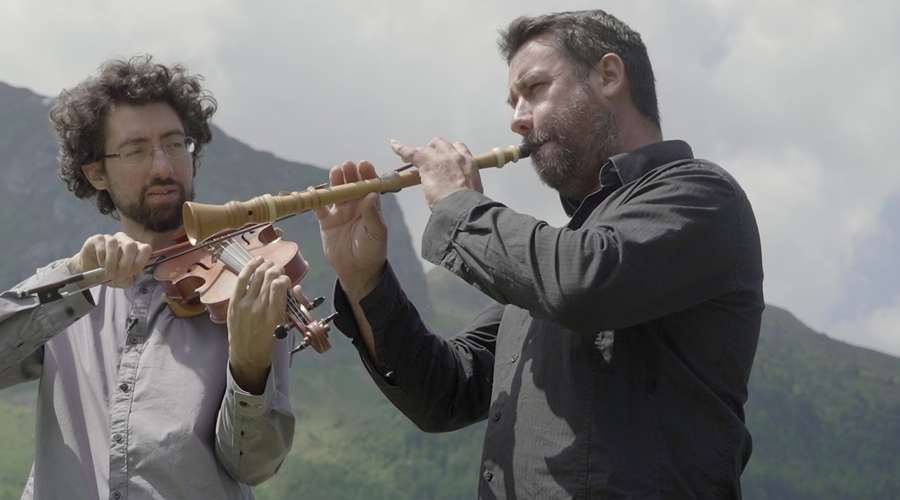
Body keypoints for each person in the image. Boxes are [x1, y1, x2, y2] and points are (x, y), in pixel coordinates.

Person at [315, 9, 764, 500]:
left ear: (609, 75)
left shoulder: (700, 193)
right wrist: (364, 281)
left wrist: (459, 205)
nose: (516, 119)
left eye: (534, 89)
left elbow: (580, 282)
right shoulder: (553, 259)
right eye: (513, 101)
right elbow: (444, 394)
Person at [0, 56, 330, 500]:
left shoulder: (245, 288)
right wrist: (77, 278)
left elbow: (254, 465)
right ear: (96, 172)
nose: (163, 167)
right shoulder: (70, 283)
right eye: (136, 150)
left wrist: (250, 367)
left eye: (176, 145)